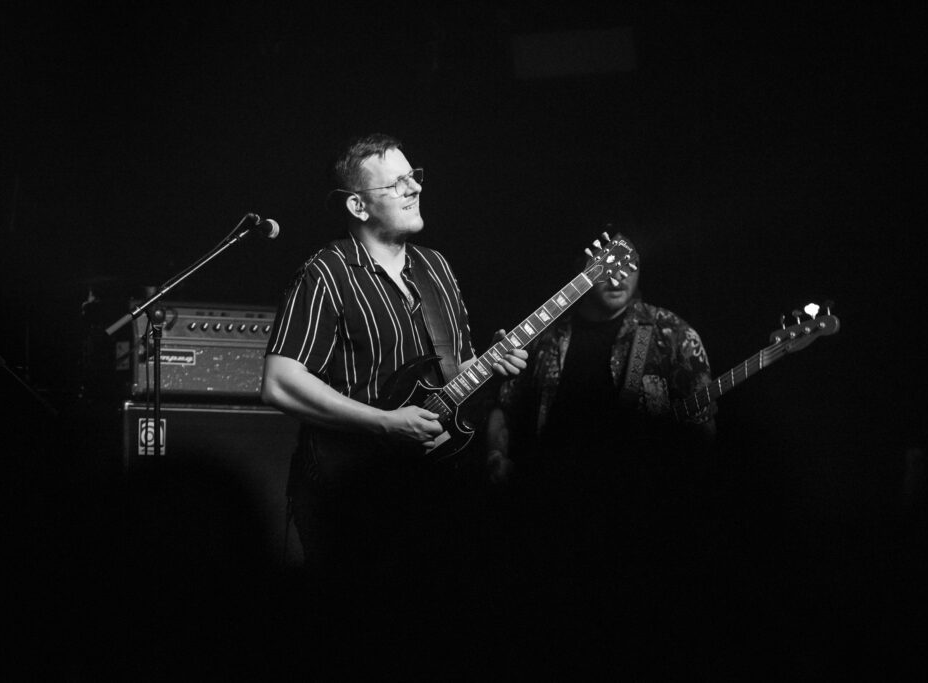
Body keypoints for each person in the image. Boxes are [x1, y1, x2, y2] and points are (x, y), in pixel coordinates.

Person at [260, 133, 527, 672]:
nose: (413, 189)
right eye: (396, 182)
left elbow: (452, 376)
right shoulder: (327, 273)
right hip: (350, 494)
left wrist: (491, 367)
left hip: (433, 491)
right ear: (358, 204)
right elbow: (280, 380)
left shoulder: (438, 270)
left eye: (415, 177)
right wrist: (383, 423)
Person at [484, 230, 717, 673]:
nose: (618, 276)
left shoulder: (670, 333)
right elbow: (502, 407)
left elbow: (704, 427)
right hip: (545, 517)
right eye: (609, 265)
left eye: (629, 264)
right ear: (585, 269)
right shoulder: (545, 334)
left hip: (639, 522)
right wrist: (496, 458)